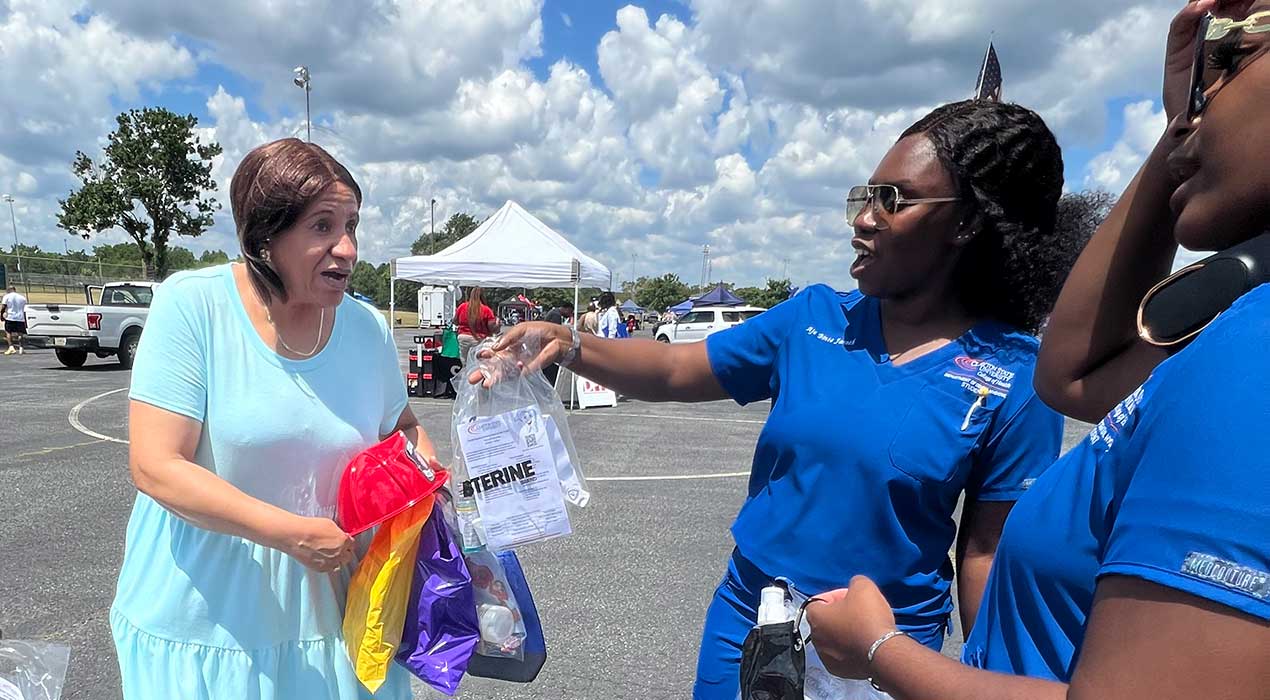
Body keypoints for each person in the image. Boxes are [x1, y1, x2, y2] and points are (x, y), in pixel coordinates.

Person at [476, 99, 1083, 698]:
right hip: (752, 619)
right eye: (864, 196)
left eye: (893, 199)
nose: (864, 218)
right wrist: (567, 342)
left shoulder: (1017, 376)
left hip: (883, 653)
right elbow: (676, 367)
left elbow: (987, 551)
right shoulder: (812, 319)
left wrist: (982, 683)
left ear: (967, 223)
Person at [804, 3, 1270, 698]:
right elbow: (1075, 372)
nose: (1198, 109)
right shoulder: (1241, 320)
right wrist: (1179, 137)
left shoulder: (1256, 353)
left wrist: (879, 649)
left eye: (1234, 63)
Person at [111, 138, 440, 700]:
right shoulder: (194, 307)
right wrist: (291, 535)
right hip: (210, 625)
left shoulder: (367, 329)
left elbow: (401, 429)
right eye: (322, 227)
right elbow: (156, 465)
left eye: (352, 225)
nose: (348, 248)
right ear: (265, 237)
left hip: (336, 620)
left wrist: (425, 477)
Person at [454, 286, 498, 363]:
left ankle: (465, 374)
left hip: (463, 337)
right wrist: (497, 323)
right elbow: (492, 328)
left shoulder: (462, 306)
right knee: (478, 362)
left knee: (465, 362)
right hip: (479, 338)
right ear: (482, 296)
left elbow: (455, 321)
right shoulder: (486, 310)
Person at [1, 284, 27, 355]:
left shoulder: (6, 296)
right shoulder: (22, 297)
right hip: (20, 317)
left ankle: (11, 347)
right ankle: (21, 348)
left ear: (8, 290)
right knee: (20, 333)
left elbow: (3, 307)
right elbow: (24, 308)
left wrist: (1, 316)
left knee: (8, 332)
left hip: (10, 316)